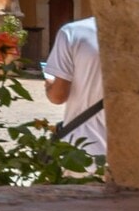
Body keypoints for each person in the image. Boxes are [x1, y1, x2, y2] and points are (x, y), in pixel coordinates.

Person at [42, 16, 106, 157]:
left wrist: (49, 86)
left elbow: (58, 96)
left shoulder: (73, 32)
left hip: (82, 151)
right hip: (133, 155)